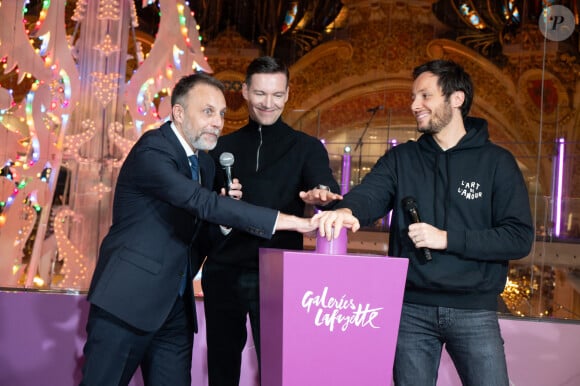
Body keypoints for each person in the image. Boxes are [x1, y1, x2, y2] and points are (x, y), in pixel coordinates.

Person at [80, 72, 317, 386]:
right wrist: (294, 222)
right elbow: (198, 201)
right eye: (207, 112)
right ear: (179, 113)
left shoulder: (204, 165)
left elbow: (200, 234)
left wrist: (219, 224)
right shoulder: (153, 150)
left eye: (220, 114)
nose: (217, 122)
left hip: (176, 310)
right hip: (126, 303)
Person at [314, 59, 534, 385]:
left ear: (456, 98)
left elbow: (518, 238)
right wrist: (346, 212)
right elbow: (369, 196)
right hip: (410, 310)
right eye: (413, 96)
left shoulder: (497, 163)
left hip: (474, 311)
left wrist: (445, 238)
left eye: (425, 96)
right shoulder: (402, 159)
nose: (414, 105)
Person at [202, 56, 342, 386]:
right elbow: (202, 205)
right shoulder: (220, 147)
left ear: (288, 94)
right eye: (261, 94)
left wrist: (321, 195)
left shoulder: (306, 147)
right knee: (222, 365)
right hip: (224, 269)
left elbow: (325, 185)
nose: (269, 103)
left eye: (277, 95)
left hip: (279, 273)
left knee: (278, 367)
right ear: (246, 92)